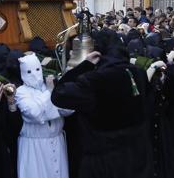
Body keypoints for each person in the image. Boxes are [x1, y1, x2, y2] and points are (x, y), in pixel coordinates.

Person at [51, 28, 151, 178]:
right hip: (137, 156)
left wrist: (83, 65)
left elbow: (59, 95)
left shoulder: (96, 80)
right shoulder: (139, 72)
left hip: (105, 161)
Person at [15, 53, 73, 178]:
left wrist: (58, 92)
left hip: (57, 141)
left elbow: (68, 109)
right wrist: (50, 93)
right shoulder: (21, 92)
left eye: (37, 69)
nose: (35, 74)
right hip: (35, 147)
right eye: (29, 71)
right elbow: (34, 113)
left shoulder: (50, 84)